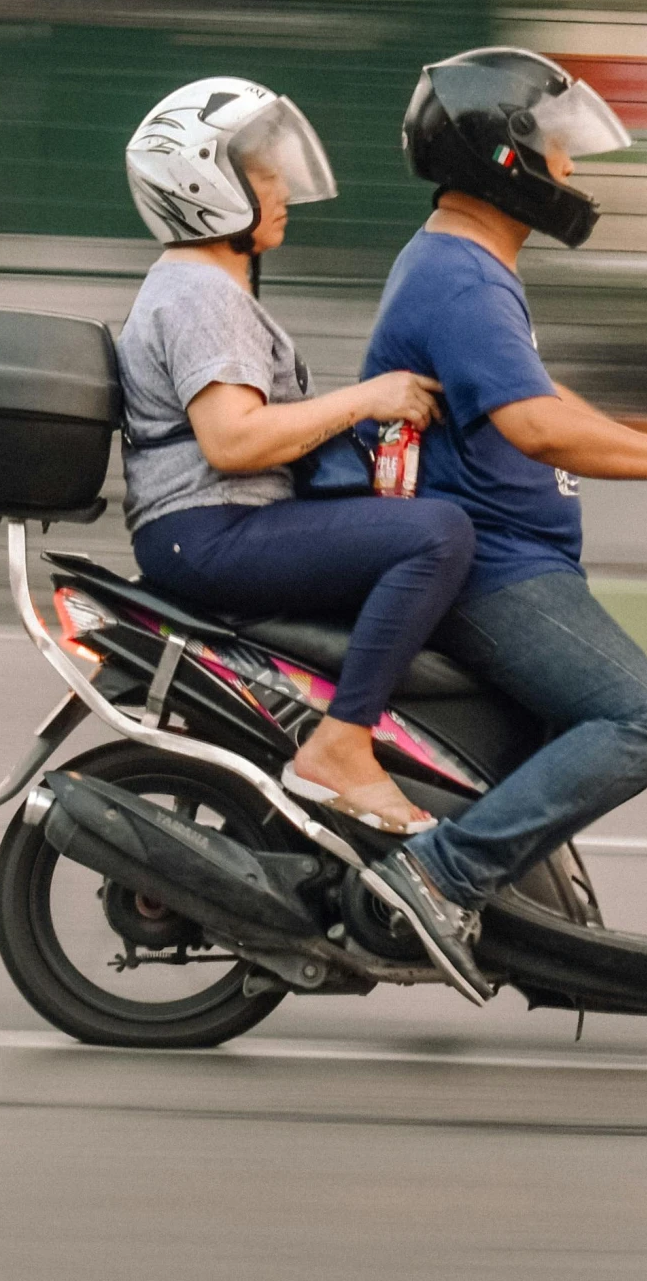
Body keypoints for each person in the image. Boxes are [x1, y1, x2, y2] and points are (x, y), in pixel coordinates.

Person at [353, 47, 647, 996]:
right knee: (646, 718)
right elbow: (537, 424)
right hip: (492, 571)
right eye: (557, 148)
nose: (571, 169)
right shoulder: (463, 277)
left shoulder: (466, 267)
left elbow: (542, 394)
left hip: (508, 559)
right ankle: (441, 873)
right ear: (500, 154)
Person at [117, 76, 472, 838]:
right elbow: (233, 441)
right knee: (437, 535)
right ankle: (340, 746)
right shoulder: (200, 294)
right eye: (262, 173)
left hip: (212, 527)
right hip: (209, 530)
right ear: (204, 187)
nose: (281, 188)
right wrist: (366, 398)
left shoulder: (207, 287)